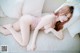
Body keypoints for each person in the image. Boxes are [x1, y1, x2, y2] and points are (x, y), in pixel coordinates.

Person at [0, 5, 74, 50]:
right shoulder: (50, 17)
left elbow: (61, 37)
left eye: (68, 18)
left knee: (5, 32)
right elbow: (37, 29)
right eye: (65, 15)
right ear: (61, 12)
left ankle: (9, 27)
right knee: (24, 43)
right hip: (27, 21)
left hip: (28, 24)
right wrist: (32, 44)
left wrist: (51, 29)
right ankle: (10, 27)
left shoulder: (57, 24)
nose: (65, 19)